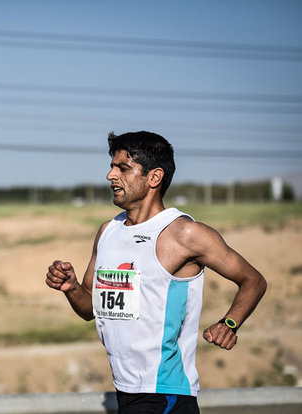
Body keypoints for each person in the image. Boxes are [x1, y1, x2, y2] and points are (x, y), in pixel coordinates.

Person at [46, 131, 267, 414]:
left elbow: (253, 280)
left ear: (154, 177)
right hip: (126, 391)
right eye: (112, 166)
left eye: (122, 168)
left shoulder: (184, 233)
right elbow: (90, 308)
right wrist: (71, 287)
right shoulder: (107, 232)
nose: (110, 175)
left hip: (165, 393)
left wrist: (230, 323)